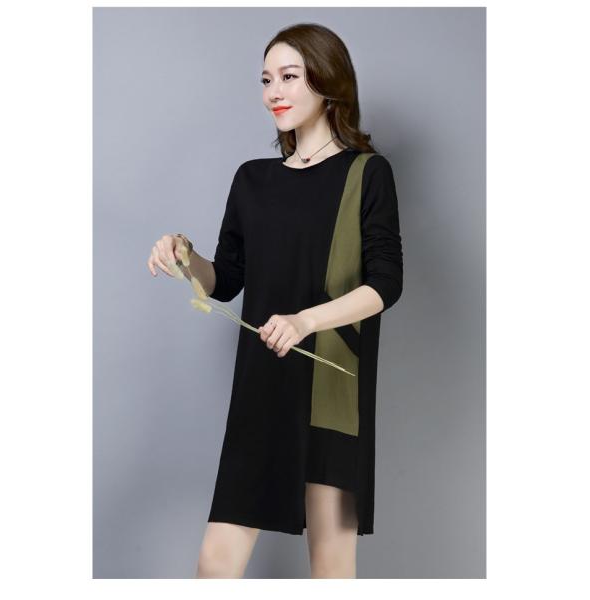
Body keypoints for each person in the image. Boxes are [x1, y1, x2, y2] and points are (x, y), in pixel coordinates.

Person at [147, 23, 403, 578]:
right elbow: (226, 280)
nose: (274, 93)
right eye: (266, 80)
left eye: (289, 76)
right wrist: (185, 256)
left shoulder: (367, 173)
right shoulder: (252, 180)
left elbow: (386, 284)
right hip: (262, 388)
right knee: (216, 565)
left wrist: (305, 320)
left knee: (332, 568)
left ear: (328, 80)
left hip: (332, 394)